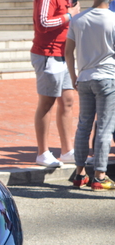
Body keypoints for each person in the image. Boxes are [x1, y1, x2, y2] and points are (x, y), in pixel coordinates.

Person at [65, 0, 115, 190]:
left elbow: (68, 51)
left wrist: (73, 76)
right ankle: (100, 176)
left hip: (84, 78)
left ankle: (80, 174)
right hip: (108, 77)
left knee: (83, 125)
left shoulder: (77, 19)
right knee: (104, 127)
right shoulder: (112, 19)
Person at [31, 0, 81, 167]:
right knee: (47, 103)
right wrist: (69, 15)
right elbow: (43, 23)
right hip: (48, 54)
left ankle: (67, 151)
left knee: (67, 102)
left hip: (64, 54)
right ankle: (42, 152)